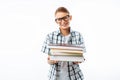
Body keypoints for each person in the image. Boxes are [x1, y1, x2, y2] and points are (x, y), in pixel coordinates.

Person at [41, 6, 86, 80]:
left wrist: (79, 60)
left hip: (75, 76)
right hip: (55, 76)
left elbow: (82, 57)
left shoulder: (78, 35)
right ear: (56, 21)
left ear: (70, 17)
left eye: (65, 17)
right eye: (59, 19)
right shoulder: (50, 36)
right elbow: (48, 60)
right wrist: (51, 61)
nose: (63, 21)